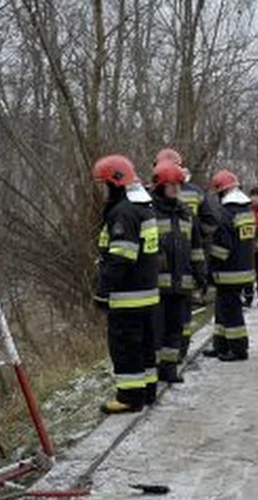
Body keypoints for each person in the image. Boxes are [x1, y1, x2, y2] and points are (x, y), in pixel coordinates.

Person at [91, 155, 161, 414]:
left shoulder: (123, 213)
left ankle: (130, 398)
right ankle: (148, 391)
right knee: (145, 346)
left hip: (127, 296)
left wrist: (102, 291)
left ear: (115, 182)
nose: (103, 190)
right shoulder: (145, 207)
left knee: (125, 347)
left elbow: (121, 257)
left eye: (104, 184)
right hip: (147, 294)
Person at [148, 160, 204, 384]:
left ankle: (169, 369)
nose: (176, 189)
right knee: (155, 330)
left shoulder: (186, 213)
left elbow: (196, 248)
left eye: (178, 185)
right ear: (160, 186)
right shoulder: (150, 212)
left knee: (175, 328)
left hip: (182, 283)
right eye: (171, 185)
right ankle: (153, 369)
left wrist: (201, 275)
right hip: (157, 285)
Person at [155, 147, 215, 358]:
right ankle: (178, 354)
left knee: (171, 322)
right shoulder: (196, 192)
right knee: (180, 318)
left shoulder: (149, 199)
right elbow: (210, 225)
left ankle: (170, 363)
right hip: (179, 270)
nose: (174, 188)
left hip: (180, 269)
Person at [205, 169, 256, 361]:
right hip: (244, 268)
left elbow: (222, 247)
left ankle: (238, 349)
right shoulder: (246, 210)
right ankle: (220, 345)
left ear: (221, 192)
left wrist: (211, 267)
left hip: (228, 271)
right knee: (222, 307)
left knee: (231, 311)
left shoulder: (226, 213)